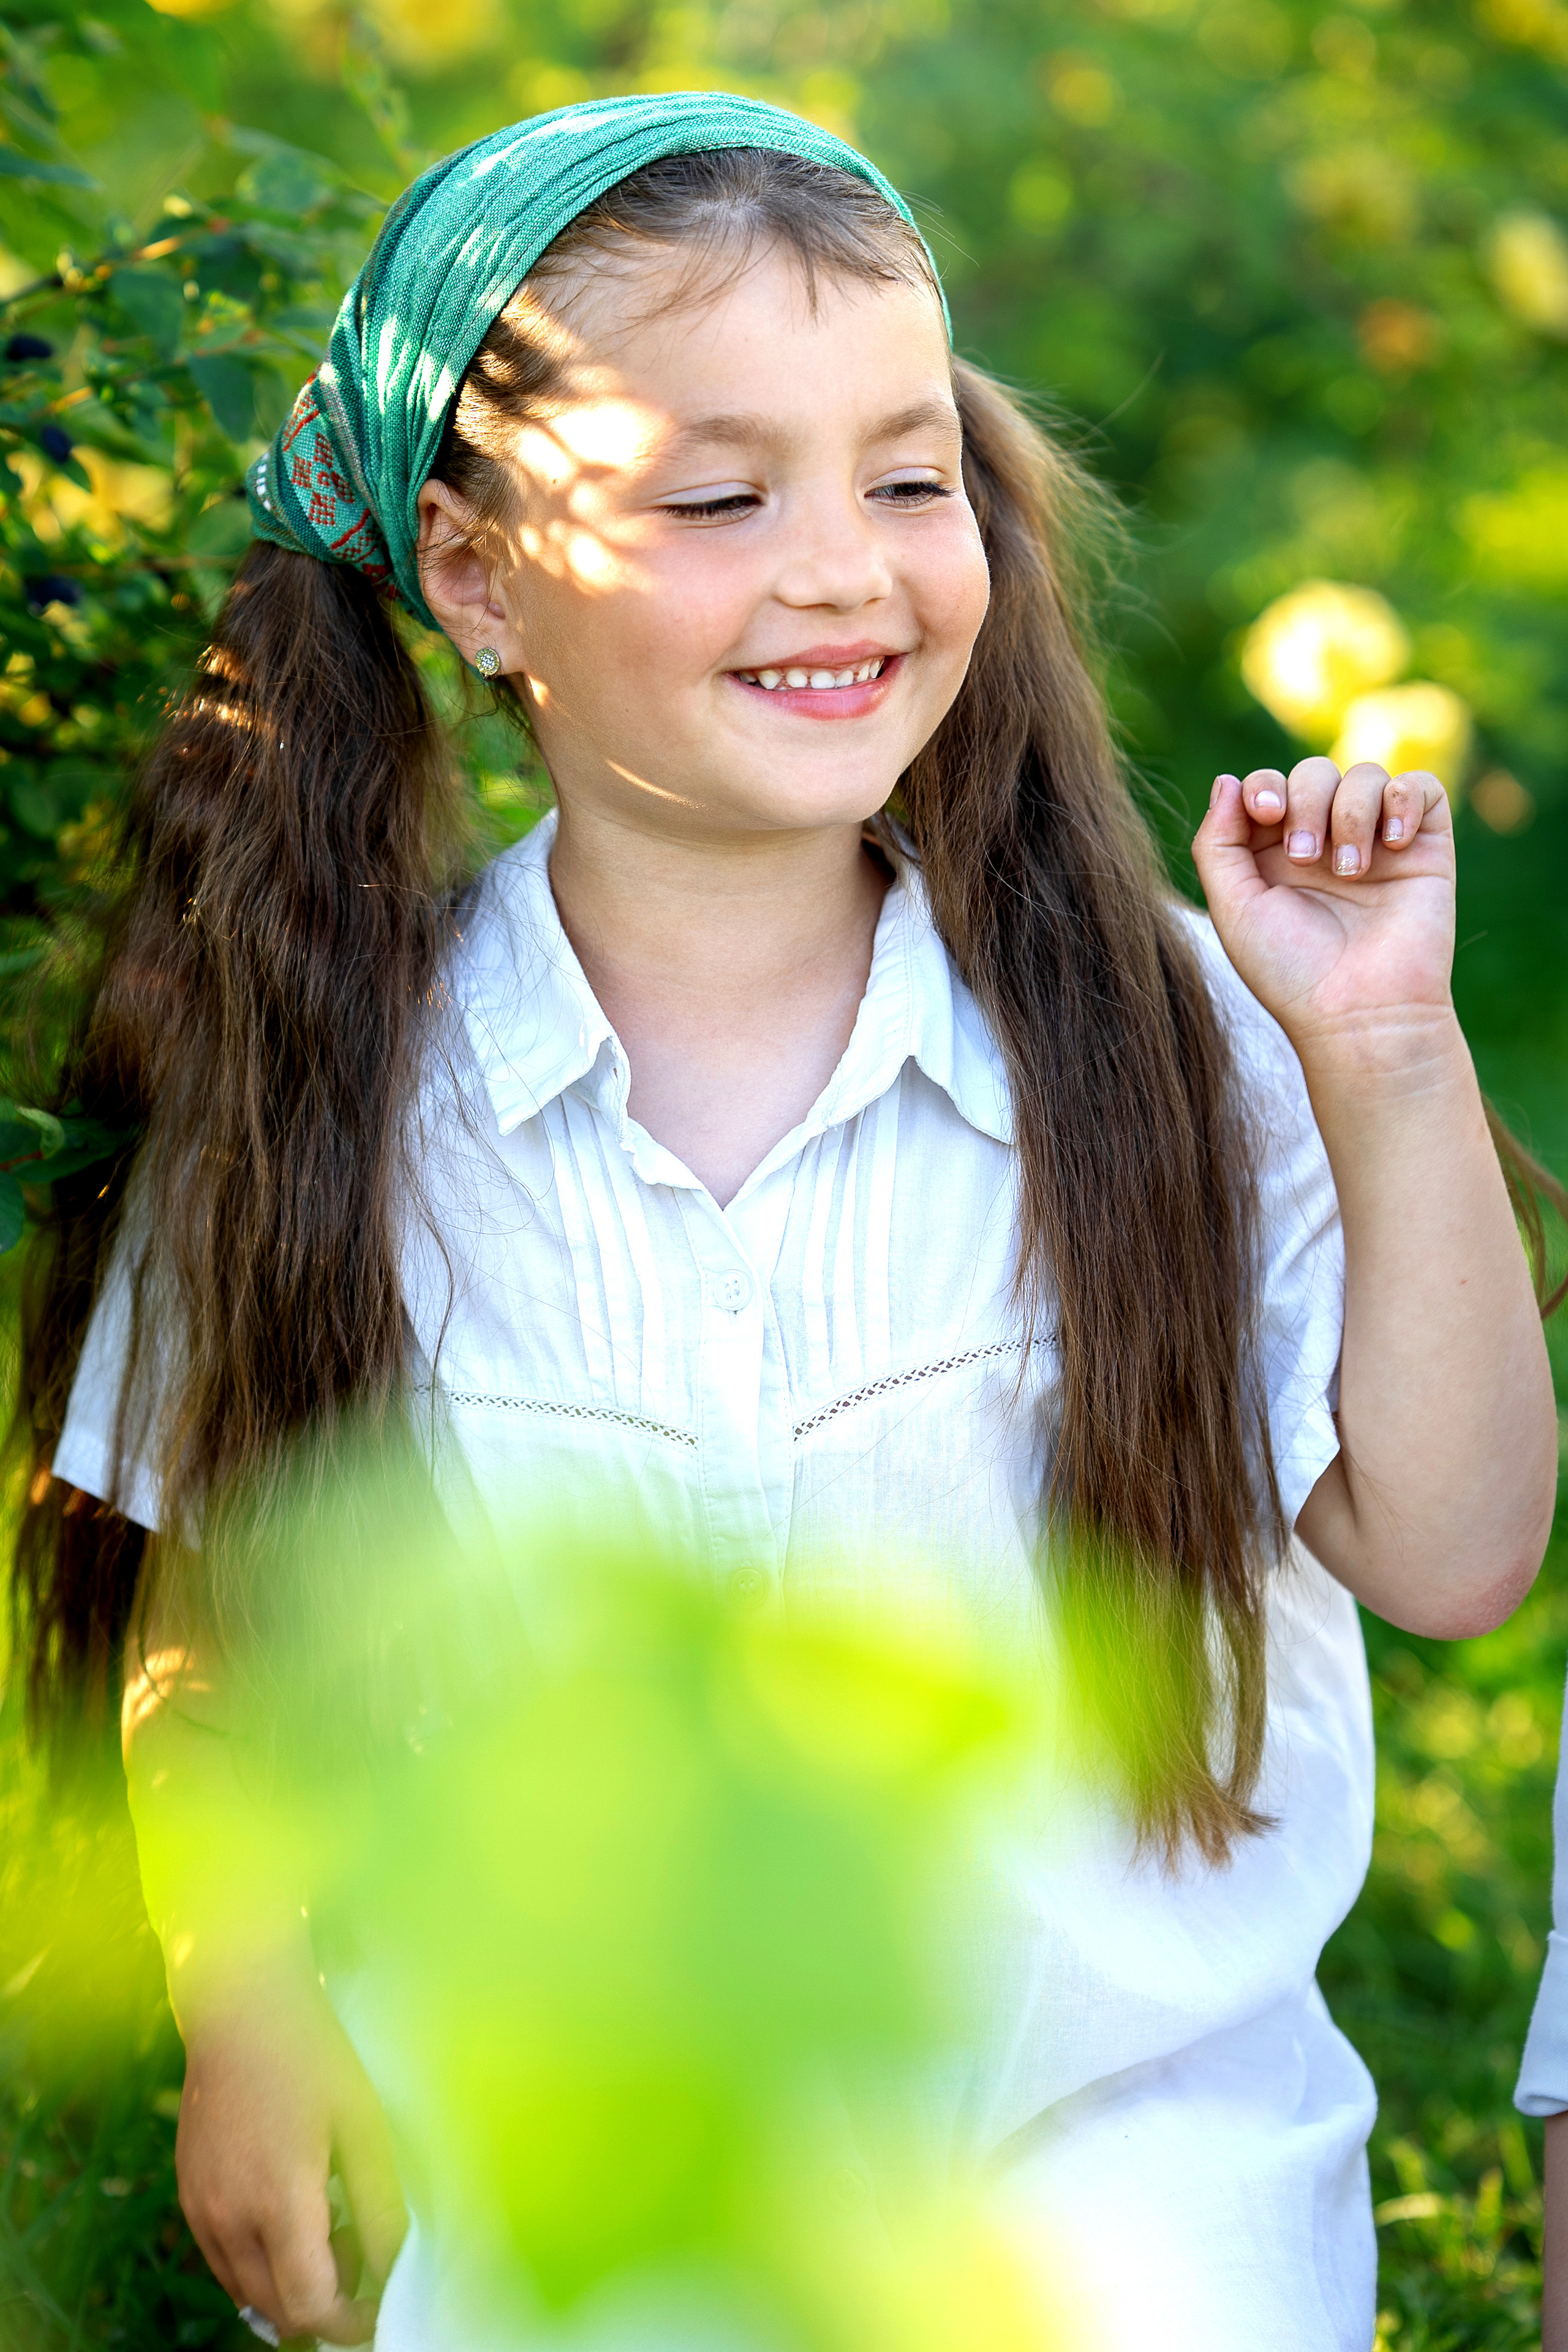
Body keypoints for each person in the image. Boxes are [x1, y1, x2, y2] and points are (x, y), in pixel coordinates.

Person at [9, 90, 1559, 2352]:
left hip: (1131, 2229)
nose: (845, 562)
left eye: (907, 473)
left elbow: (1455, 1554)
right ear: (472, 571)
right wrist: (240, 2013)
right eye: (723, 495)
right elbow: (225, 1641)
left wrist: (1390, 1054)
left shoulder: (1170, 1039)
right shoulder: (324, 1090)